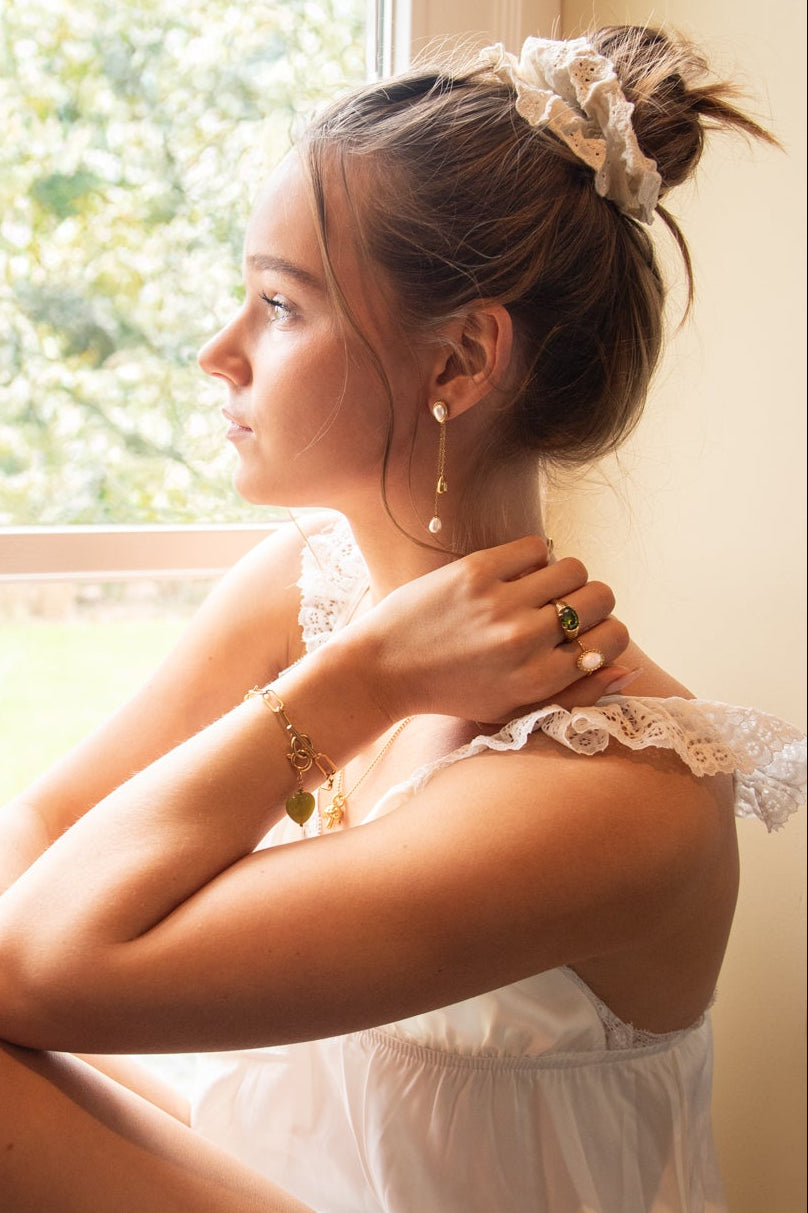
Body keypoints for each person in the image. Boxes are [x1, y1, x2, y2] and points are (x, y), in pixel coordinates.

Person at [0, 25, 804, 1213]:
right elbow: (47, 830)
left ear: (459, 361)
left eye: (278, 305)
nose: (219, 354)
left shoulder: (618, 786)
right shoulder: (305, 589)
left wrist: (361, 682)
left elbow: (33, 966)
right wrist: (355, 658)